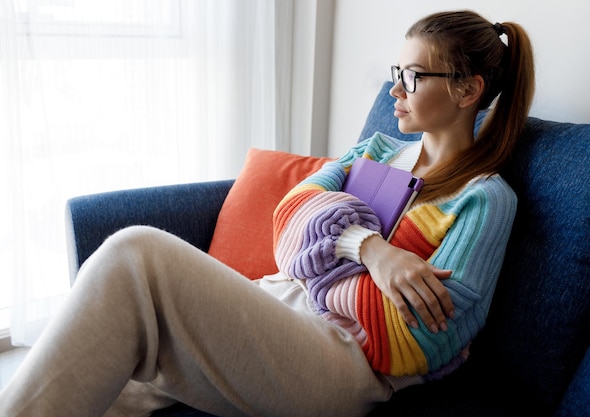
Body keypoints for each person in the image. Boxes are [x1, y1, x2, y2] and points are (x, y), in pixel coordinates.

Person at [0, 9, 534, 417]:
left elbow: (418, 341)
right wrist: (372, 251)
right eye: (396, 71)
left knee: (135, 254)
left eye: (414, 76)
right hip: (276, 302)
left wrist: (319, 248)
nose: (394, 88)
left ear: (468, 89)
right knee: (112, 367)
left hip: (344, 362)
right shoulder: (374, 150)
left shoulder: (483, 198)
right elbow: (287, 218)